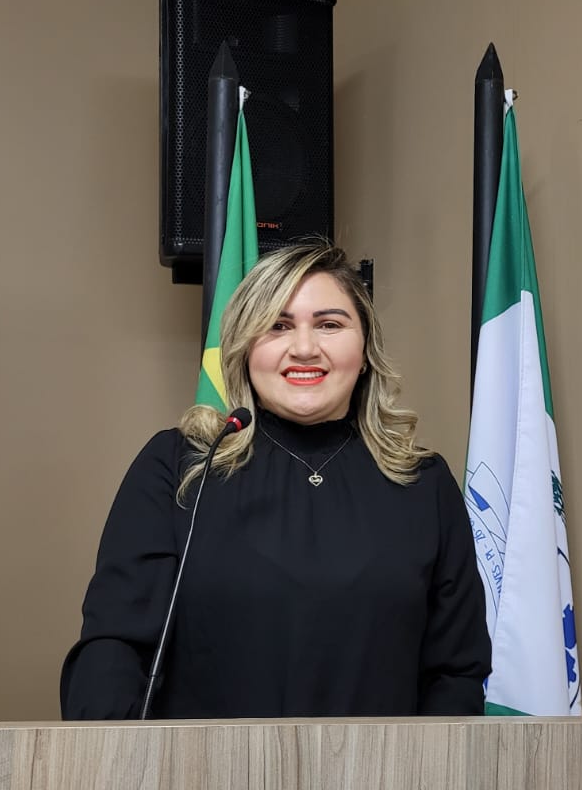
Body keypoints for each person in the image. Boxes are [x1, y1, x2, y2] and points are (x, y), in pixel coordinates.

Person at [60, 240, 490, 720]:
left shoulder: (423, 484)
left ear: (365, 349)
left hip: (384, 769)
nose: (304, 348)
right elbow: (113, 649)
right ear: (245, 349)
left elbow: (455, 672)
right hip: (198, 769)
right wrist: (120, 759)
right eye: (277, 326)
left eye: (329, 324)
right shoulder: (180, 467)